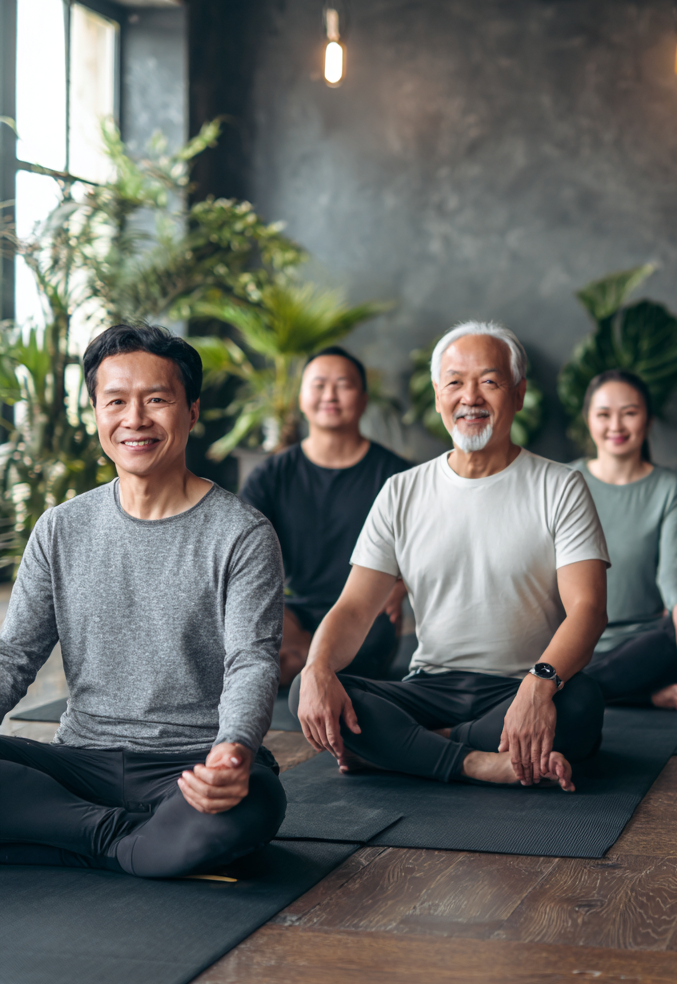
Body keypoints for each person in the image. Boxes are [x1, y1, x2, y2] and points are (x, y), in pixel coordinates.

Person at [0, 324, 286, 877]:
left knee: (255, 802)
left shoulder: (242, 533)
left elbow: (251, 663)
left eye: (157, 400)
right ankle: (129, 846)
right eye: (116, 402)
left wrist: (232, 752)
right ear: (96, 413)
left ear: (192, 411)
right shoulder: (61, 528)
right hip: (77, 762)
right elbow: (13, 658)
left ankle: (67, 839)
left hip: (189, 766)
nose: (135, 419)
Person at [291, 321, 608, 791]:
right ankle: (478, 761)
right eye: (456, 382)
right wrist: (317, 669)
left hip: (520, 682)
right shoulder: (401, 491)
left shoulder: (560, 486)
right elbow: (356, 608)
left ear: (518, 394)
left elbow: (589, 609)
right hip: (428, 687)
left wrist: (539, 686)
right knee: (308, 685)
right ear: (438, 394)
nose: (471, 397)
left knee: (580, 704)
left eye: (490, 381)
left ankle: (407, 750)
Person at [241, 346, 410, 685]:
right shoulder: (272, 475)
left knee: (329, 658)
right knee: (262, 638)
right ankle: (311, 669)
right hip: (294, 610)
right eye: (318, 385)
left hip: (365, 612)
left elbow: (433, 548)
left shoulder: (398, 477)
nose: (329, 395)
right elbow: (242, 553)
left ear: (363, 399)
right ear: (302, 398)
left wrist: (401, 585)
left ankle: (304, 668)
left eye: (343, 385)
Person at [571, 369, 677, 711]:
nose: (616, 426)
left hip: (639, 644)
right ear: (588, 420)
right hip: (570, 639)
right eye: (604, 414)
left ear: (647, 421)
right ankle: (631, 691)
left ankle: (565, 693)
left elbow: (671, 574)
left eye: (629, 413)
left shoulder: (669, 488)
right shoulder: (564, 481)